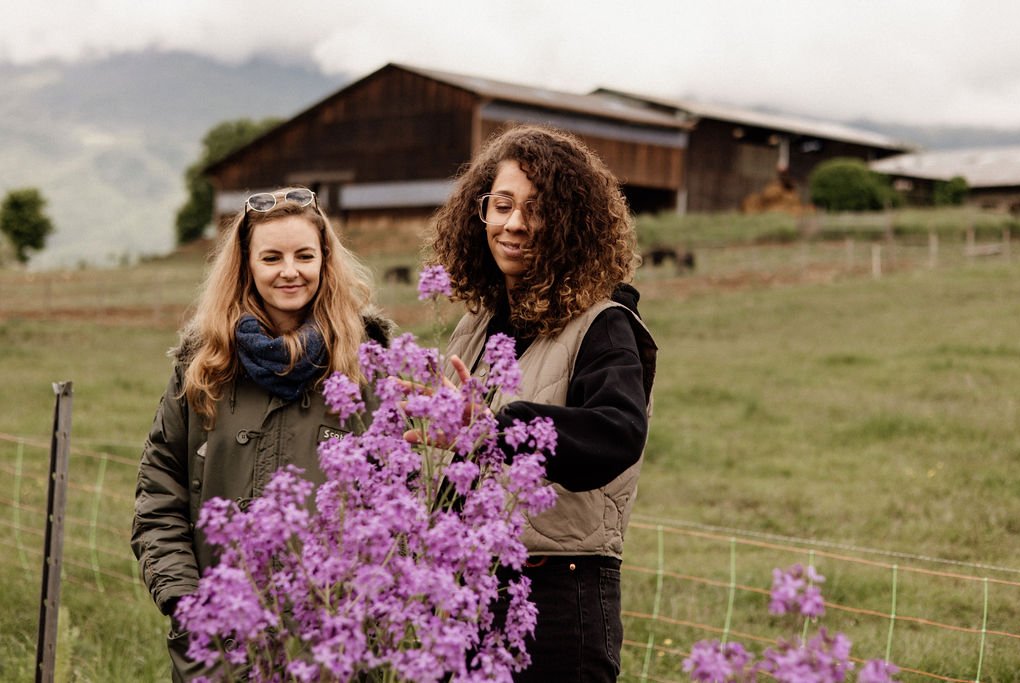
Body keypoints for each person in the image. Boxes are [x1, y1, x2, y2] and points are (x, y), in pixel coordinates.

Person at [131, 187, 390, 682]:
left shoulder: (367, 365)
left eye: (304, 256)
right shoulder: (204, 365)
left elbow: (402, 505)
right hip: (222, 651)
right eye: (271, 257)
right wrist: (188, 604)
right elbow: (158, 495)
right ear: (246, 265)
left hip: (336, 655)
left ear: (325, 261)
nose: (289, 271)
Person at [428, 124, 657, 682]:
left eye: (536, 209)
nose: (514, 224)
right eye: (501, 205)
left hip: (558, 595)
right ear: (477, 213)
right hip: (465, 591)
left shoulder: (606, 326)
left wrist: (499, 429)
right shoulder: (474, 328)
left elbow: (616, 434)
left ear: (571, 225)